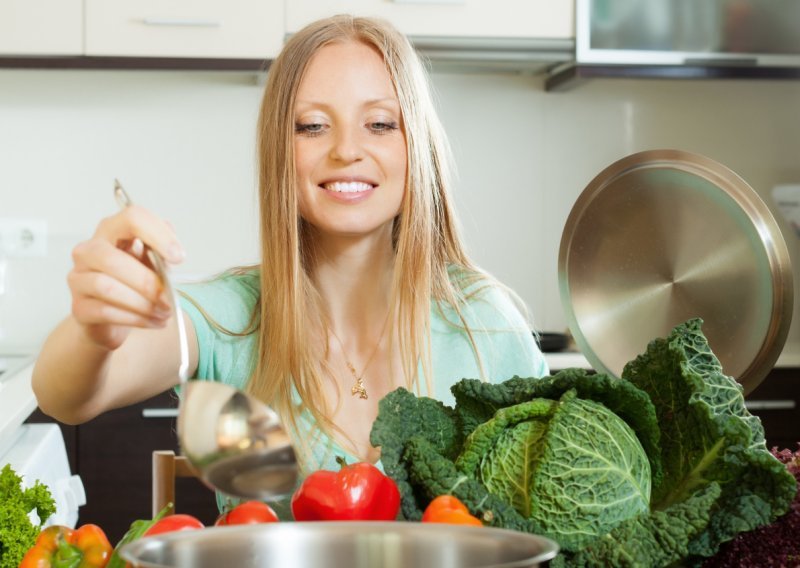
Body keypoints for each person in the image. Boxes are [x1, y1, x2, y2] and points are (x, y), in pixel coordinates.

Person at [32, 14, 548, 515]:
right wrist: (94, 328)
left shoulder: (486, 324)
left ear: (417, 144)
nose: (347, 149)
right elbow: (66, 396)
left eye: (380, 123)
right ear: (281, 150)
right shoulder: (227, 321)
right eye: (313, 126)